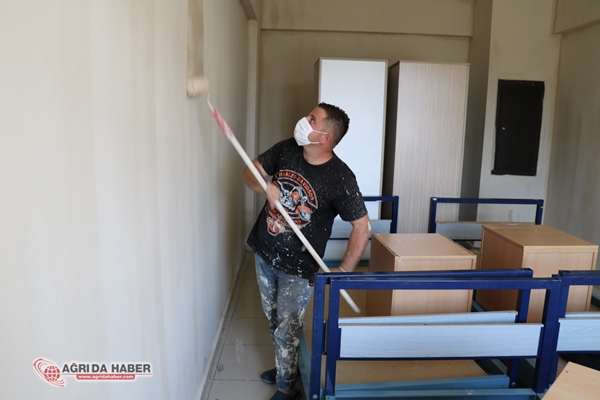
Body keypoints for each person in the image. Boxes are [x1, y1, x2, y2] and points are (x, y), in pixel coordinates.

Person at [241, 103, 370, 400]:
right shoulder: (287, 149)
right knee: (275, 320)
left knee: (287, 327)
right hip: (264, 252)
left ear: (325, 138)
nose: (303, 120)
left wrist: (344, 270)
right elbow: (248, 172)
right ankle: (286, 366)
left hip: (299, 268)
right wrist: (264, 187)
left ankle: (287, 389)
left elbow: (362, 227)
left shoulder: (340, 178)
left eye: (312, 119)